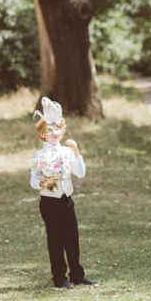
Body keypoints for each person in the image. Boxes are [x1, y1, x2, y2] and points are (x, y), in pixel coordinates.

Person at [30, 97, 97, 289]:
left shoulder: (67, 152)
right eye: (49, 131)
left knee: (72, 238)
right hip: (49, 202)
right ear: (42, 134)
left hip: (66, 200)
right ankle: (59, 277)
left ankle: (77, 274)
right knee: (55, 239)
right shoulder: (39, 156)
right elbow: (33, 180)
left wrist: (76, 152)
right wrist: (41, 182)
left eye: (57, 129)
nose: (54, 133)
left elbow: (80, 173)